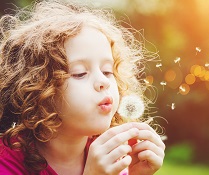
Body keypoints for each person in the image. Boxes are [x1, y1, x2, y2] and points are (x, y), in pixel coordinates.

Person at [0, 0, 165, 174]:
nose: (103, 82)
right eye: (80, 73)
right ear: (36, 90)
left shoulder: (113, 161)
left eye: (108, 71)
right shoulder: (6, 164)